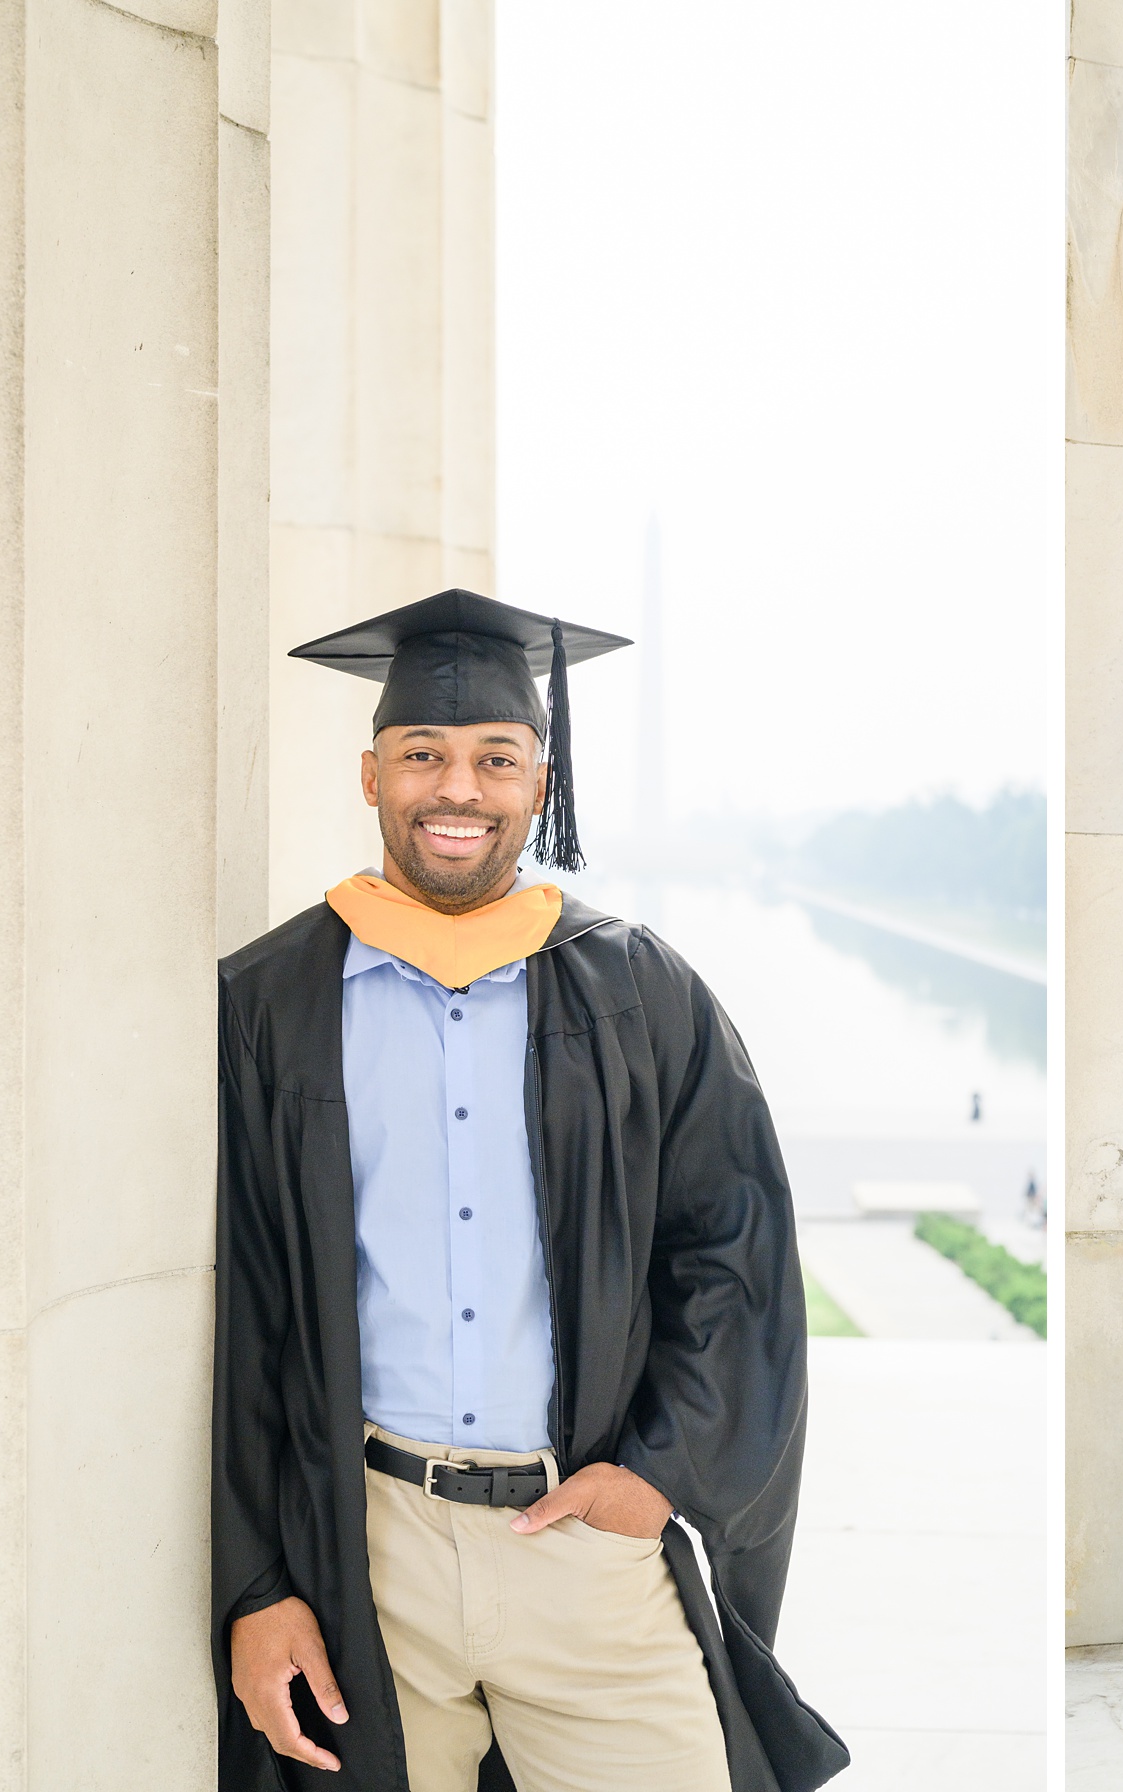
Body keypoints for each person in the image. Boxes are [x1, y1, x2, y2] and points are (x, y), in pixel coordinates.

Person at [211, 590, 848, 1791]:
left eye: (495, 758)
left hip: (582, 1548)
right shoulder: (273, 1001)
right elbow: (246, 1308)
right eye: (424, 755)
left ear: (539, 787)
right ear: (371, 774)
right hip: (368, 1551)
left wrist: (660, 1477)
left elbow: (735, 1248)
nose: (458, 788)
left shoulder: (639, 991)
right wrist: (259, 1584)